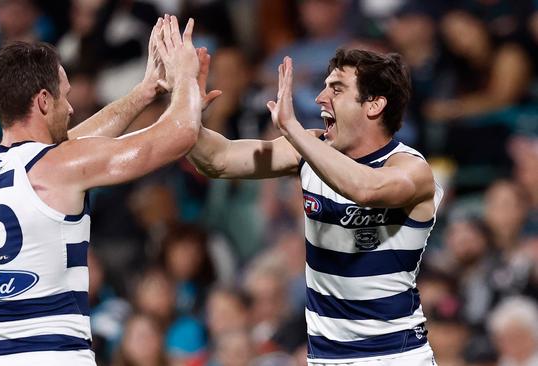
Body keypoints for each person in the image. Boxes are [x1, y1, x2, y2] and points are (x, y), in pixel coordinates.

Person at [0, 15, 202, 365]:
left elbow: (71, 147)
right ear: (42, 101)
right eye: (63, 97)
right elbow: (180, 134)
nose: (69, 108)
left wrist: (144, 92)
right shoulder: (58, 169)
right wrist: (186, 75)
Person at [188, 48, 443, 364]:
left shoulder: (412, 168)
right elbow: (218, 160)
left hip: (394, 357)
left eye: (336, 89)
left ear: (375, 104)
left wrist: (293, 131)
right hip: (326, 358)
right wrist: (187, 112)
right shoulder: (310, 149)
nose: (321, 98)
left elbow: (365, 188)